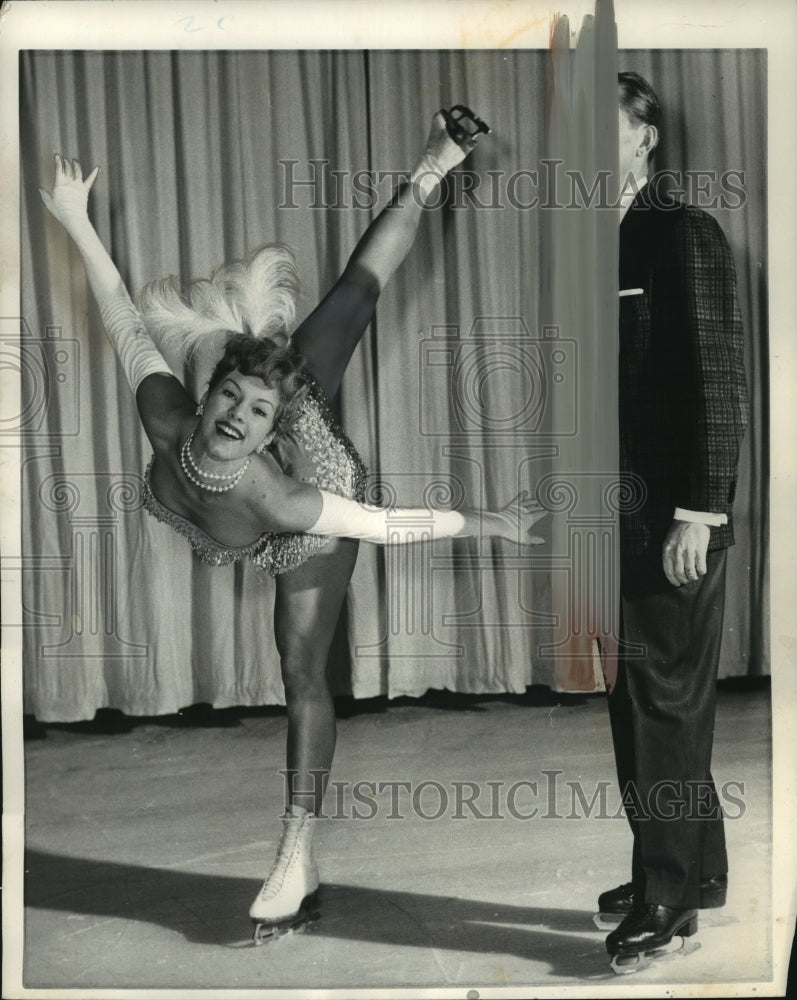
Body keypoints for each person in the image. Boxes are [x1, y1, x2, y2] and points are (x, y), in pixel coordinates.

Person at [39, 111, 548, 943]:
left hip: (318, 508)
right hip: (248, 496)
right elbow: (122, 319)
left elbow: (383, 525)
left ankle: (295, 847)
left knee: (300, 669)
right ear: (203, 399)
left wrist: (489, 518)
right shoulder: (166, 418)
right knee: (315, 329)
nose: (237, 415)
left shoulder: (284, 495)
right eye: (230, 399)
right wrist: (73, 218)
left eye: (257, 410)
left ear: (275, 429)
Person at [598, 72, 749, 970]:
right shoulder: (593, 238)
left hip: (673, 517)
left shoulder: (678, 230)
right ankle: (693, 869)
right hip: (613, 513)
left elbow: (719, 382)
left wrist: (700, 509)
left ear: (645, 137)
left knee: (660, 704)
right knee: (646, 700)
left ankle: (664, 898)